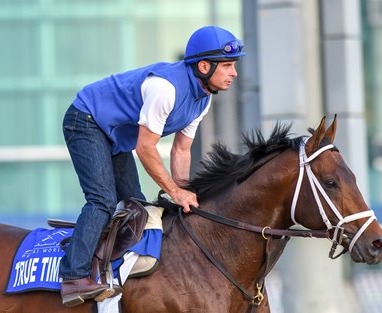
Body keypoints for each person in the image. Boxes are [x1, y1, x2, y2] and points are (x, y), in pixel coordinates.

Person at [59, 25, 246, 307]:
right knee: (102, 200)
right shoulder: (166, 89)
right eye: (228, 65)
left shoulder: (203, 99)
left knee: (136, 206)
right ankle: (74, 278)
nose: (234, 73)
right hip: (86, 120)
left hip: (115, 134)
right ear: (205, 66)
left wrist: (183, 192)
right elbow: (145, 148)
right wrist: (173, 190)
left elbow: (181, 149)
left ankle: (116, 273)